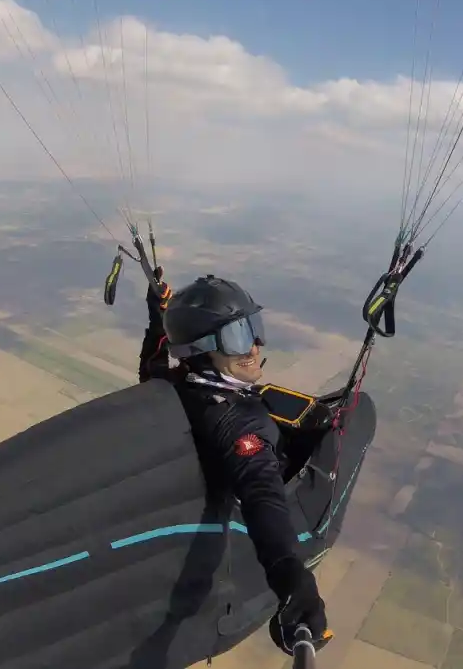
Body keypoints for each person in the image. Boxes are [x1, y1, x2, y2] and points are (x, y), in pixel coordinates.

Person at [136, 273, 332, 656]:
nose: (256, 345)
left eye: (253, 328)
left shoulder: (178, 387)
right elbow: (262, 493)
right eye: (239, 336)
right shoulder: (239, 421)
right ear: (202, 349)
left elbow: (152, 369)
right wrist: (290, 575)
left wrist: (157, 317)